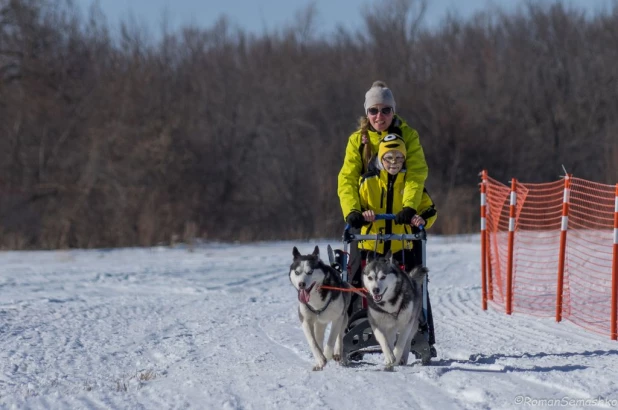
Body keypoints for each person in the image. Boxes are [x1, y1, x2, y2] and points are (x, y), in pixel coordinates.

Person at [356, 134, 438, 353]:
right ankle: (357, 325)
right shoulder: (368, 181)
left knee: (411, 286)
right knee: (361, 284)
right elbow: (358, 205)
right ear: (380, 159)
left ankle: (419, 329)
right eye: (389, 157)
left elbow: (429, 210)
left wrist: (421, 219)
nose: (393, 162)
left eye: (399, 158)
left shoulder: (411, 182)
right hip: (372, 244)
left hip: (402, 245)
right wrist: (363, 213)